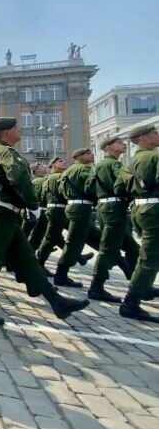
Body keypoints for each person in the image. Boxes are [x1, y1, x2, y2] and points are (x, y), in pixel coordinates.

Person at [0, 117, 88, 325]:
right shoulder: (5, 152)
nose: (19, 130)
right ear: (6, 133)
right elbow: (18, 178)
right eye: (16, 128)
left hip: (4, 213)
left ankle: (56, 301)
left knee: (28, 259)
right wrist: (32, 205)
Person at [116, 124, 159, 323]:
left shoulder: (130, 162)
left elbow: (118, 188)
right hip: (154, 210)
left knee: (149, 256)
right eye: (154, 133)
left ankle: (143, 290)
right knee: (149, 259)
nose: (157, 135)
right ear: (143, 138)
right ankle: (131, 303)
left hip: (140, 209)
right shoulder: (153, 157)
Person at [88, 137, 139, 301]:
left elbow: (89, 187)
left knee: (132, 248)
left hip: (106, 207)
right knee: (108, 249)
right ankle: (96, 287)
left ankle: (138, 284)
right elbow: (127, 183)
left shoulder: (99, 166)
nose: (124, 145)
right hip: (114, 208)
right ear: (109, 147)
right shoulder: (114, 164)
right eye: (119, 143)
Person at [54, 148, 99, 287]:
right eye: (87, 153)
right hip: (81, 207)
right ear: (79, 157)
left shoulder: (68, 170)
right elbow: (93, 187)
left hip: (73, 206)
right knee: (74, 243)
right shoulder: (83, 169)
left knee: (95, 239)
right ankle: (60, 276)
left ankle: (124, 264)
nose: (91, 155)